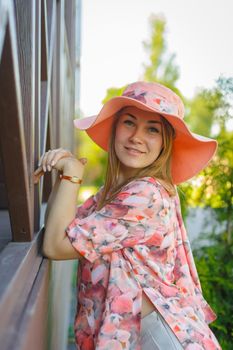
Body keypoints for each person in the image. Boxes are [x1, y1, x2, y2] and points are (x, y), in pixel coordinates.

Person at [34, 81, 222, 350]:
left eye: (152, 129)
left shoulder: (145, 196)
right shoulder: (114, 193)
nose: (137, 137)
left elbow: (54, 246)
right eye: (129, 123)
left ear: (164, 144)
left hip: (157, 338)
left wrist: (72, 173)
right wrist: (64, 172)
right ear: (114, 129)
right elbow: (63, 230)